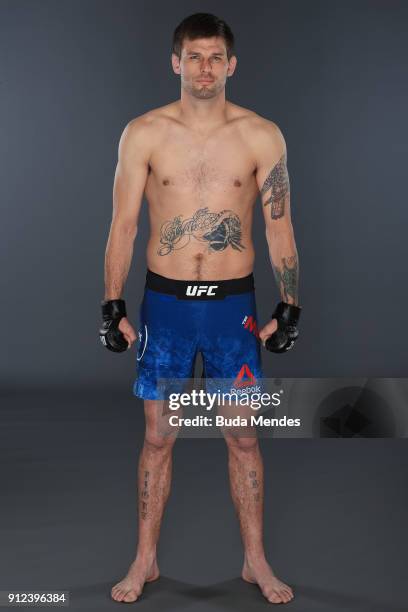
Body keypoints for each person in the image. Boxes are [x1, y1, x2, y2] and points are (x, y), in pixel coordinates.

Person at [100, 13, 301, 605]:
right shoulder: (143, 133)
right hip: (164, 307)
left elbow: (279, 227)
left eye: (216, 58)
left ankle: (255, 562)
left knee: (241, 437)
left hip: (231, 310)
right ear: (176, 63)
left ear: (232, 64)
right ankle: (145, 561)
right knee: (159, 437)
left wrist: (290, 304)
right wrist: (111, 303)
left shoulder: (262, 135)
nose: (206, 68)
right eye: (195, 57)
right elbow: (124, 225)